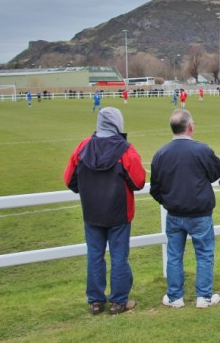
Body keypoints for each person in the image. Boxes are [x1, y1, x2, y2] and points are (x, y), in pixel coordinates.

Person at [63, 107, 146, 315]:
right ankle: (118, 301)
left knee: (94, 256)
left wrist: (88, 189)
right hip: (119, 213)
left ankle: (96, 301)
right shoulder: (125, 149)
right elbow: (138, 181)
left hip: (92, 212)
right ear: (118, 123)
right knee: (119, 257)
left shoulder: (83, 147)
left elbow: (69, 179)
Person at [150, 109, 220, 309]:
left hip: (175, 213)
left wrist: (169, 201)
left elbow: (155, 188)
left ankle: (175, 296)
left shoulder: (161, 153)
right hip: (198, 213)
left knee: (175, 255)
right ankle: (203, 296)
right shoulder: (201, 150)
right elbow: (217, 171)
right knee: (204, 254)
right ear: (190, 127)